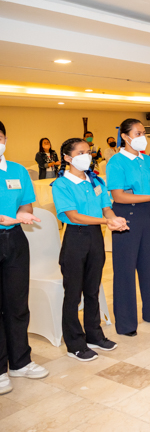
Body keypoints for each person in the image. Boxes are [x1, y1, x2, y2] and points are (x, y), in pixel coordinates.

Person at [52, 138, 127, 362]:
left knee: (93, 289)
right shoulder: (61, 184)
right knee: (73, 294)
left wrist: (115, 220)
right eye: (81, 152)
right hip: (75, 238)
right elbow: (73, 216)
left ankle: (94, 335)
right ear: (67, 158)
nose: (88, 155)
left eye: (89, 151)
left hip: (95, 237)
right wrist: (105, 223)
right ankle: (75, 343)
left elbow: (106, 208)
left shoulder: (95, 180)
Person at [106, 118, 150, 336]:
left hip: (147, 214)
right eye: (137, 133)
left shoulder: (147, 160)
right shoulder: (116, 162)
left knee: (148, 265)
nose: (142, 137)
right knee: (125, 270)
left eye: (144, 133)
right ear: (125, 137)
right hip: (126, 216)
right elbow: (119, 195)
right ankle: (126, 323)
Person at [0, 120, 49, 395]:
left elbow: (26, 201)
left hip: (16, 239)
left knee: (18, 303)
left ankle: (20, 361)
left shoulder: (17, 170)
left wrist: (21, 214)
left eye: (0, 137)